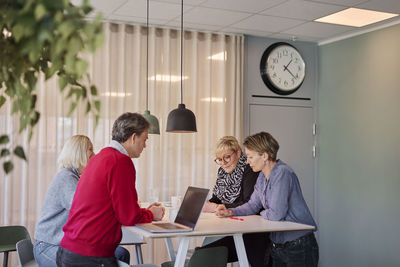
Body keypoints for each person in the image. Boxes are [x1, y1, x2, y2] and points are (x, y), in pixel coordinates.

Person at [57, 113, 165, 267]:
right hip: (90, 256)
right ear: (134, 137)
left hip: (69, 251)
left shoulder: (98, 158)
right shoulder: (121, 162)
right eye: (145, 139)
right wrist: (151, 214)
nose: (145, 146)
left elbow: (116, 208)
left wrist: (142, 212)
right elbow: (129, 217)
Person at [216, 132, 319, 267]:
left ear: (264, 156)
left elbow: (276, 214)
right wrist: (231, 211)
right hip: (278, 246)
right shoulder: (261, 177)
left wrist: (263, 213)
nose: (247, 161)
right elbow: (252, 205)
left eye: (251, 157)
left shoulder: (283, 173)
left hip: (298, 245)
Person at [33, 135, 130, 267]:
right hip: (49, 245)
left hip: (71, 245)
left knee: (121, 253)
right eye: (90, 149)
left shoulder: (79, 178)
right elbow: (87, 211)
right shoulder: (66, 178)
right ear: (78, 153)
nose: (94, 154)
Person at [201, 136, 272, 267]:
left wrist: (217, 207)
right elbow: (217, 198)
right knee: (203, 253)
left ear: (238, 153)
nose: (223, 162)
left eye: (227, 157)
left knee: (205, 254)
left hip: (253, 231)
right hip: (234, 226)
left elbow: (248, 202)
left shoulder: (250, 169)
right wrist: (205, 205)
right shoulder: (222, 172)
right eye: (219, 159)